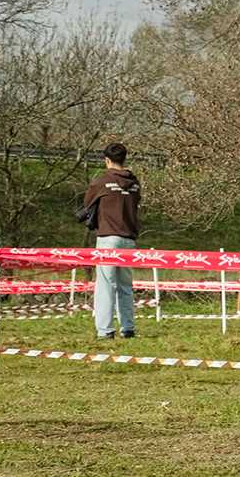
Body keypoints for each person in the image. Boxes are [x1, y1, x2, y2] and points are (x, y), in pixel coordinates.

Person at [82, 143, 141, 340]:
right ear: (124, 159)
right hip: (129, 239)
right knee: (125, 285)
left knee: (106, 285)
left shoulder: (102, 181)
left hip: (108, 238)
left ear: (106, 160)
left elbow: (86, 205)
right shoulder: (134, 183)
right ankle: (128, 328)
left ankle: (105, 330)